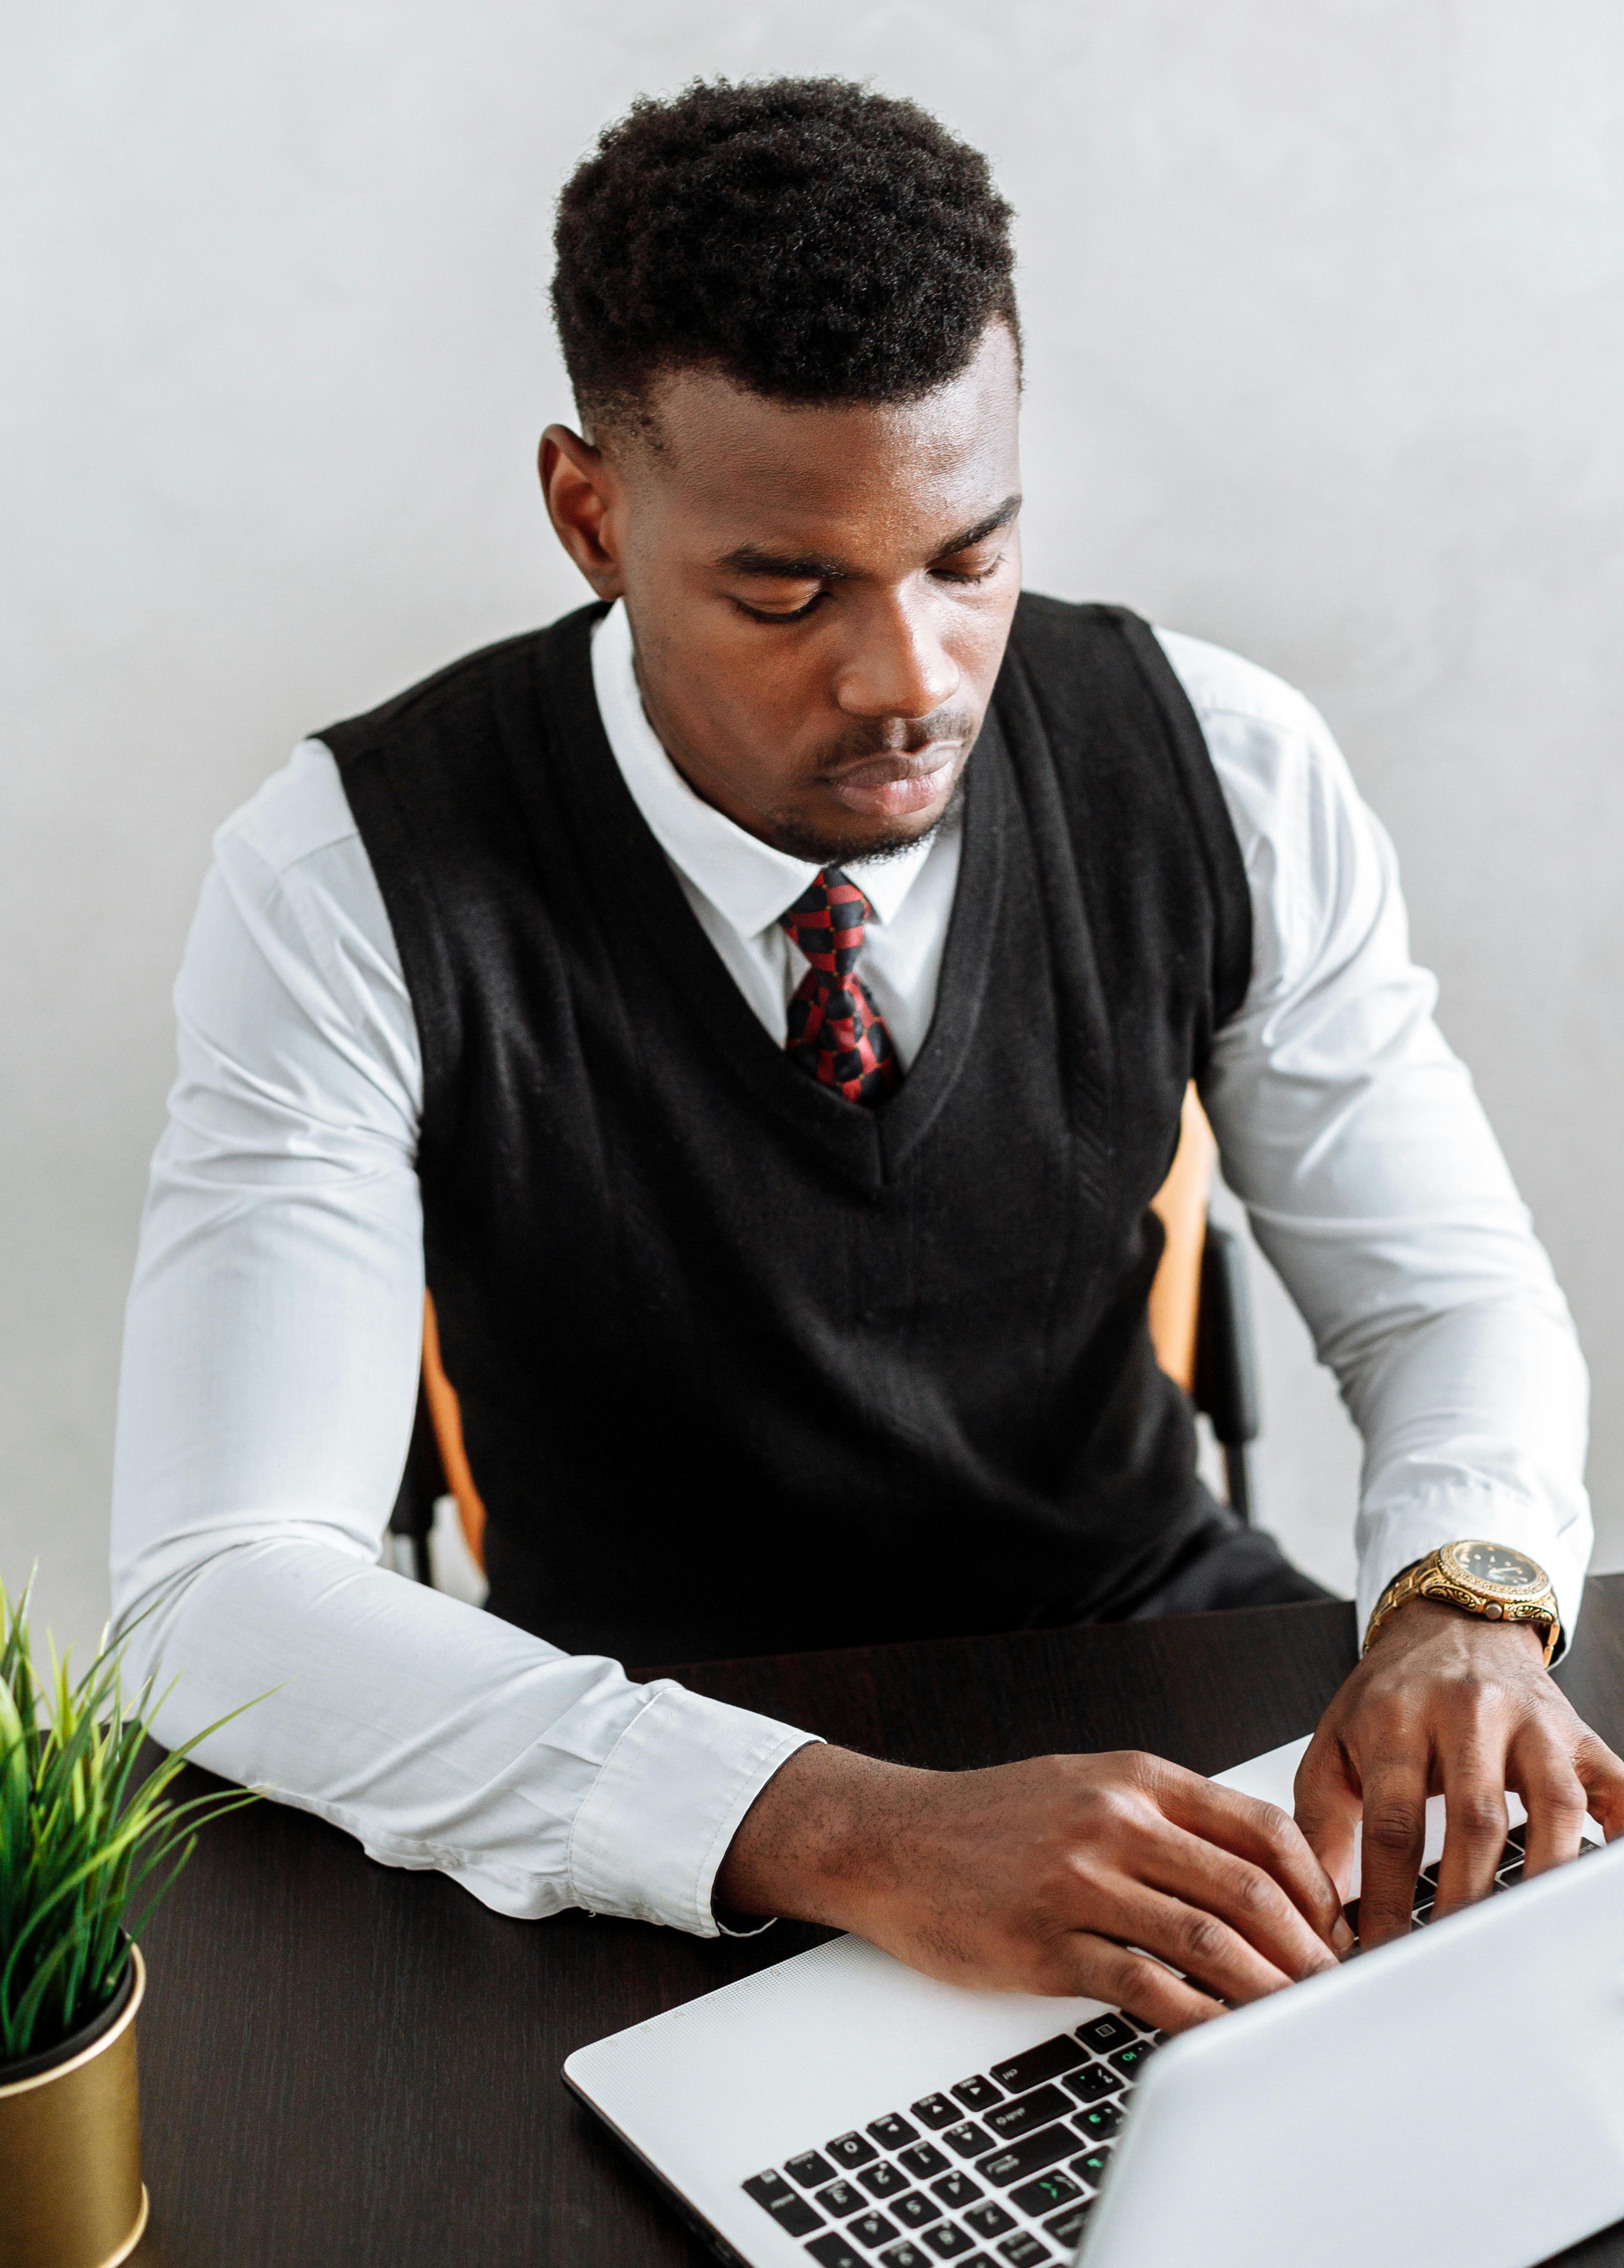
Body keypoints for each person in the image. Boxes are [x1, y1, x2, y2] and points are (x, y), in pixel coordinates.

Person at [112, 78, 1624, 2032]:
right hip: (638, 1787)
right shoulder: (342, 880)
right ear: (592, 512)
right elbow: (212, 1597)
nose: (912, 677)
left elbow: (1445, 1298)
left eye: (969, 557)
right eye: (786, 587)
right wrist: (856, 1828)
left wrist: (1466, 1604)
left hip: (1152, 1670)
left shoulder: (1226, 766)